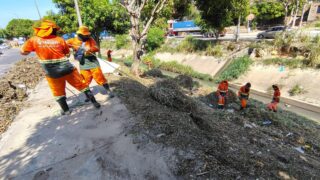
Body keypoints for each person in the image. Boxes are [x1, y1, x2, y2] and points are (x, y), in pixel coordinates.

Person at [20, 20, 101, 115]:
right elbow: (67, 55)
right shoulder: (60, 40)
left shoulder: (34, 40)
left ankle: (66, 111)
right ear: (53, 30)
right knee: (83, 85)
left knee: (58, 92)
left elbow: (23, 52)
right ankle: (94, 102)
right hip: (67, 69)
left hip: (52, 73)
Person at [66, 26, 114, 98]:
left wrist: (90, 49)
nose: (87, 36)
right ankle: (89, 96)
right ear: (80, 34)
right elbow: (63, 45)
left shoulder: (90, 40)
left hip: (93, 62)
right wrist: (67, 52)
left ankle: (108, 91)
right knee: (85, 81)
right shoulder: (72, 41)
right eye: (85, 35)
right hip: (83, 64)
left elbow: (96, 48)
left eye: (87, 35)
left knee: (100, 77)